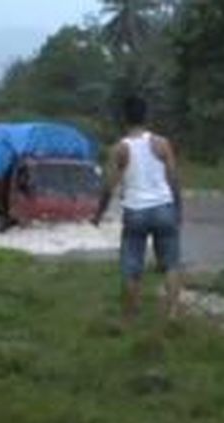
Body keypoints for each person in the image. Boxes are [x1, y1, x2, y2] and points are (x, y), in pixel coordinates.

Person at [92, 96, 183, 322]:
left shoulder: (119, 149)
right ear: (147, 116)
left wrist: (98, 215)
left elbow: (108, 186)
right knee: (171, 263)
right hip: (163, 208)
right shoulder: (162, 143)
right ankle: (171, 314)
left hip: (135, 211)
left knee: (131, 267)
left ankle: (130, 316)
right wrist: (178, 209)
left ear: (124, 119)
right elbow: (173, 179)